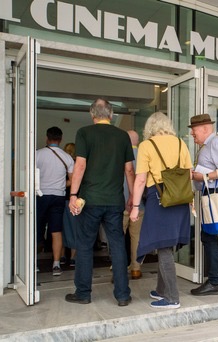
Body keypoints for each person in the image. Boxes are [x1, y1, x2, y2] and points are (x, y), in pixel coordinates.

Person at [66, 98, 134, 306]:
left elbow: (80, 166)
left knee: (85, 245)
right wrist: (132, 197)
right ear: (111, 115)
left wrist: (73, 195)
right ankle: (122, 295)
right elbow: (129, 169)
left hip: (90, 199)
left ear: (92, 114)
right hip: (114, 201)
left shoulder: (85, 133)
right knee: (117, 246)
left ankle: (83, 293)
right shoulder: (122, 136)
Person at [129, 112, 192, 308]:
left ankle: (172, 297)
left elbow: (140, 179)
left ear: (150, 127)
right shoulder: (181, 143)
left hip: (159, 198)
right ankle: (161, 290)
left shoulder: (147, 145)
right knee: (164, 244)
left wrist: (135, 207)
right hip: (179, 199)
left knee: (163, 246)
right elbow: (189, 174)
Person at [189, 114, 218, 296]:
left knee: (208, 236)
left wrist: (204, 177)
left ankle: (214, 281)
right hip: (211, 193)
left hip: (215, 193)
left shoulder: (215, 143)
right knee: (211, 236)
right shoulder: (207, 145)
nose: (192, 134)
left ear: (205, 129)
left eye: (194, 131)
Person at [36, 127, 74, 276]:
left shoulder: (37, 155)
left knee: (37, 229)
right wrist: (58, 185)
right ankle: (56, 264)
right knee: (56, 231)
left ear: (47, 138)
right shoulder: (67, 157)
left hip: (41, 195)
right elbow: (72, 180)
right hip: (58, 196)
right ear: (60, 139)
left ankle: (34, 263)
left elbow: (29, 177)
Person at [123, 130, 144, 280]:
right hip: (140, 204)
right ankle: (136, 268)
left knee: (117, 236)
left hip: (122, 202)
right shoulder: (144, 155)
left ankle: (119, 266)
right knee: (136, 237)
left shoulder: (120, 154)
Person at [62, 142, 77, 267]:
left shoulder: (63, 164)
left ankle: (61, 256)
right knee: (74, 228)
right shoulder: (79, 164)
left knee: (60, 228)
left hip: (62, 198)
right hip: (76, 199)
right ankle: (73, 256)